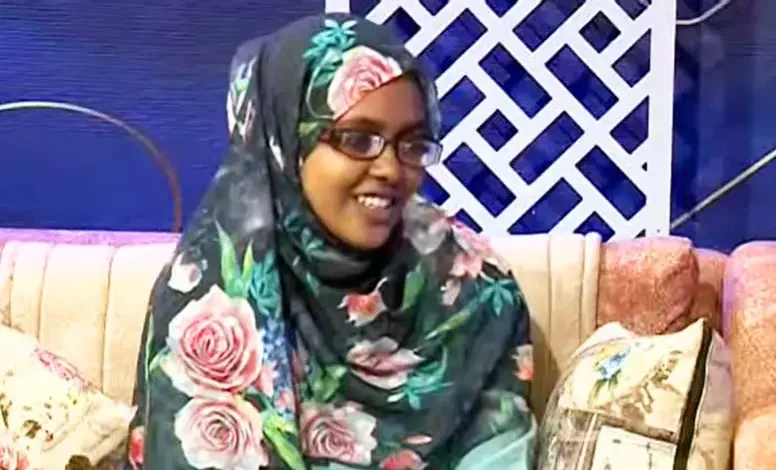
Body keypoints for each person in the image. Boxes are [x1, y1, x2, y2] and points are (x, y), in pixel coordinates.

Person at [123, 13, 536, 470]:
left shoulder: (474, 289)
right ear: (284, 142)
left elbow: (499, 451)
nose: (391, 169)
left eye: (412, 144)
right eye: (358, 139)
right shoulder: (208, 301)